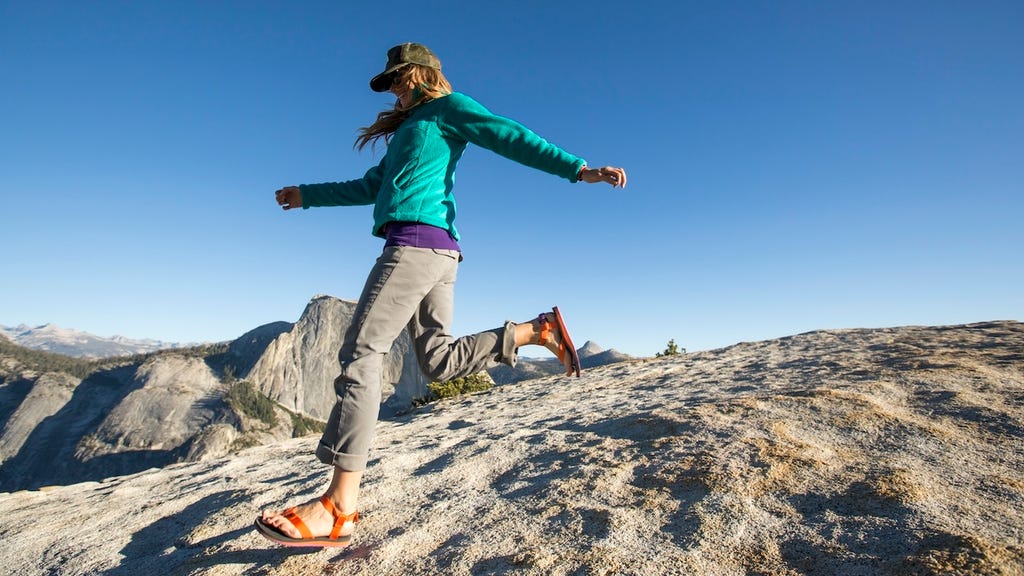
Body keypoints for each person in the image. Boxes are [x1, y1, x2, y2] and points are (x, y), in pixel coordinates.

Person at [254, 42, 627, 548]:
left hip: (414, 245)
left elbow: (508, 135)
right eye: (389, 84)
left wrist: (578, 169)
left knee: (361, 353)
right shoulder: (408, 131)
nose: (394, 89)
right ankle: (534, 330)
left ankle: (339, 505)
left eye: (399, 79)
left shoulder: (449, 109)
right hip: (439, 253)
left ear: (423, 74)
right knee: (437, 361)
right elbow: (371, 187)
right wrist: (308, 196)